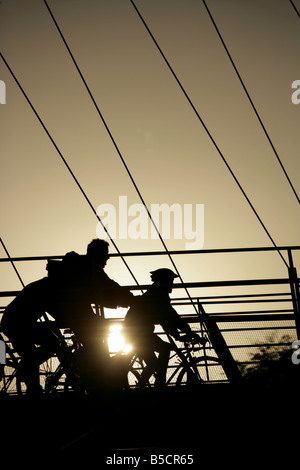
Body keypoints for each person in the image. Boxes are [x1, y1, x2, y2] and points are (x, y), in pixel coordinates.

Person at [124, 268, 203, 388]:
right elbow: (168, 318)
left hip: (137, 333)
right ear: (164, 281)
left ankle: (148, 384)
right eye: (171, 280)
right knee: (163, 351)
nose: (172, 284)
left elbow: (169, 318)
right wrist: (183, 333)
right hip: (138, 334)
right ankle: (158, 385)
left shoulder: (155, 293)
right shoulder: (158, 296)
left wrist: (181, 333)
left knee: (156, 360)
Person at [1, 277, 57, 395]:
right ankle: (28, 374)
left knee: (31, 353)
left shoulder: (41, 286)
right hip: (18, 325)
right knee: (51, 343)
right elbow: (55, 311)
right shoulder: (47, 289)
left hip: (16, 323)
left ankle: (31, 381)